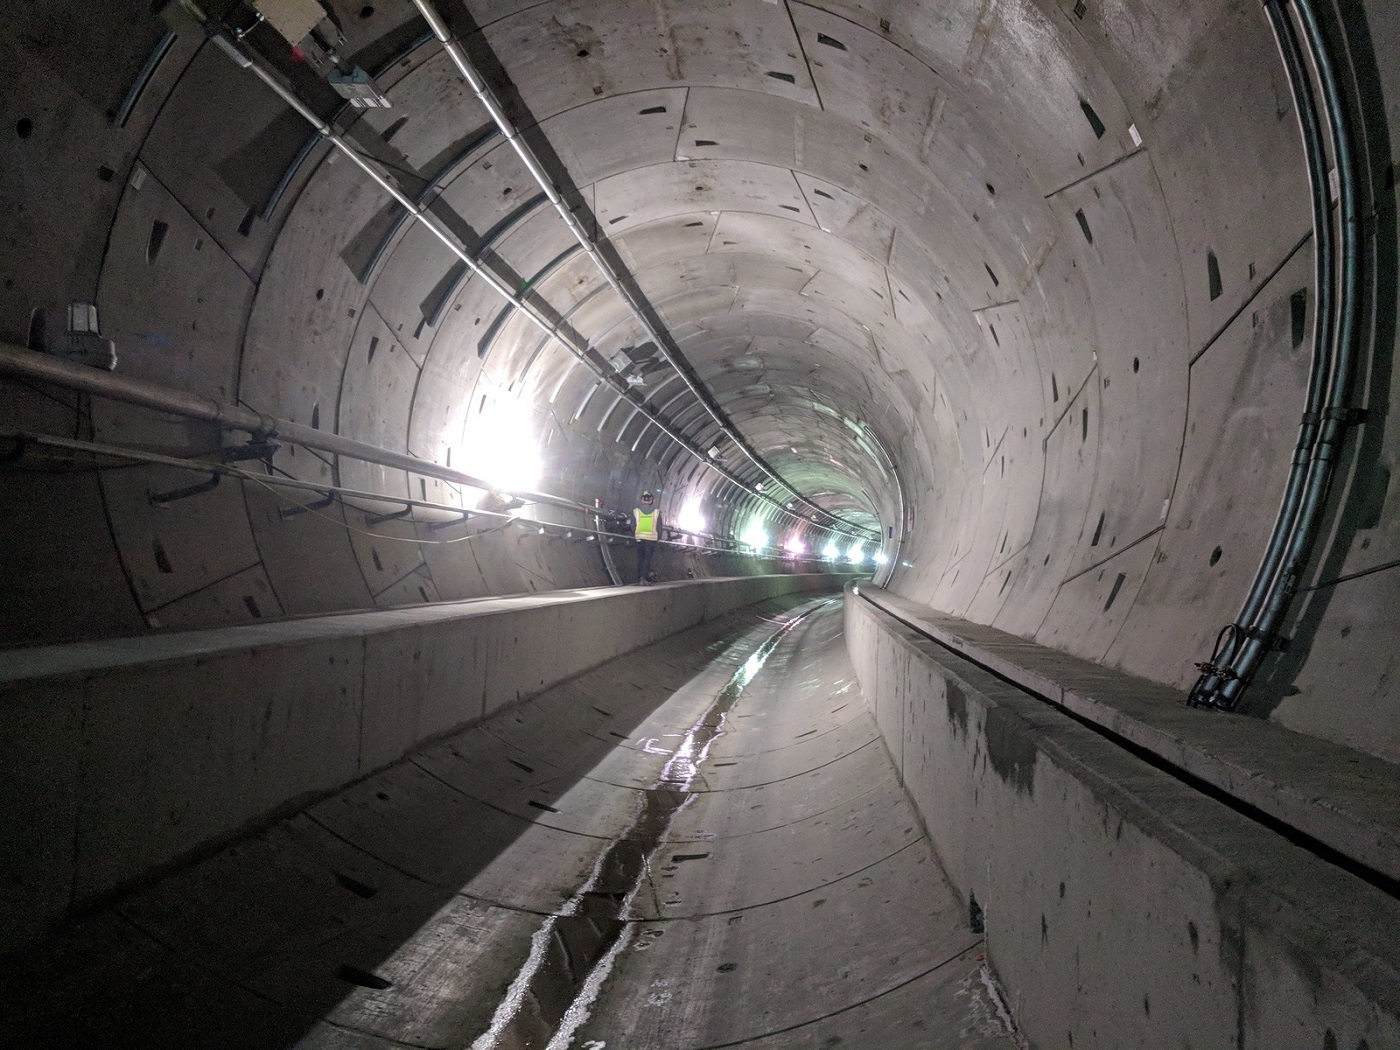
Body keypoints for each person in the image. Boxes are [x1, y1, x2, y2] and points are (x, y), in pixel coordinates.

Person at [633, 490, 660, 584]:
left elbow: (632, 525)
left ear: (642, 500)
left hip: (639, 538)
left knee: (640, 558)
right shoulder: (656, 512)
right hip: (651, 539)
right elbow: (660, 527)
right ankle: (643, 579)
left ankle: (640, 578)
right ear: (652, 499)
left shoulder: (636, 511)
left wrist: (635, 535)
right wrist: (658, 538)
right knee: (647, 559)